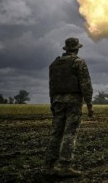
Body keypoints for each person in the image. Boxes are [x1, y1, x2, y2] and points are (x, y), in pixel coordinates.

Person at [45, 37, 94, 177]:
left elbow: (51, 86)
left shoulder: (54, 64)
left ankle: (49, 166)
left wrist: (52, 102)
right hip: (73, 102)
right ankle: (65, 166)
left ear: (66, 49)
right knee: (69, 133)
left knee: (56, 133)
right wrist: (89, 105)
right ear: (77, 48)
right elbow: (86, 85)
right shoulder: (79, 62)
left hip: (57, 101)